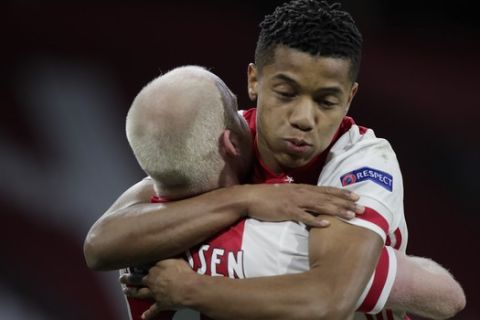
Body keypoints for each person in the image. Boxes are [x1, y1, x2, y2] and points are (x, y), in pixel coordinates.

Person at [84, 0, 466, 318]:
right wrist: (248, 199)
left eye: (325, 101)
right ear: (254, 80)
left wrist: (193, 288)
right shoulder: (225, 139)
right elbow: (101, 242)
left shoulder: (362, 163)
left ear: (349, 99)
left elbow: (330, 299)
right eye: (286, 93)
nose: (303, 118)